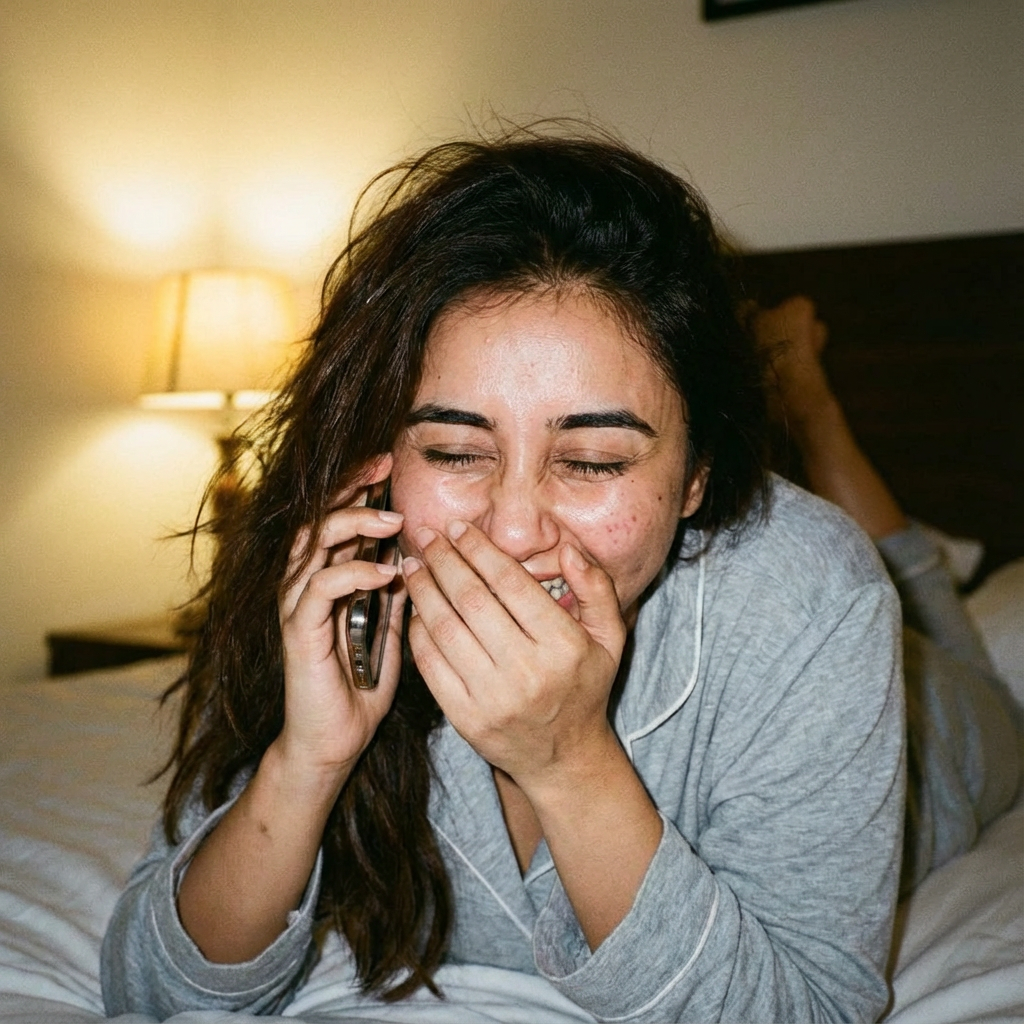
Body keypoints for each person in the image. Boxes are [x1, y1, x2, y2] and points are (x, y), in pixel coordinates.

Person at [103, 131, 910, 1022]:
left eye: (596, 460)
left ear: (693, 480)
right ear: (383, 458)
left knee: (939, 632)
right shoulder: (334, 574)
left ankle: (815, 409)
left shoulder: (816, 597)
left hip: (951, 733)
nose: (514, 529)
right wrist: (306, 761)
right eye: (453, 449)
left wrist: (567, 763)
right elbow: (148, 993)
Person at [753, 297, 1021, 893]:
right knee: (912, 594)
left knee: (913, 604)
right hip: (928, 699)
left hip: (943, 729)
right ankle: (811, 405)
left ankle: (809, 405)